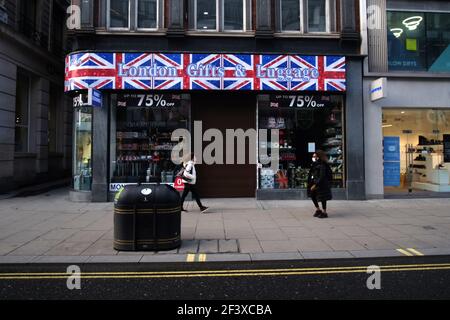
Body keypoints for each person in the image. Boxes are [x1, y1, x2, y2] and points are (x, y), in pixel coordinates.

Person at [307, 150, 333, 218]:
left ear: (319, 157)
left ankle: (324, 212)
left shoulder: (322, 165)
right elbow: (312, 174)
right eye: (313, 156)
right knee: (312, 195)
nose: (313, 157)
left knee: (323, 198)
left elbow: (322, 176)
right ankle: (318, 210)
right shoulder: (315, 164)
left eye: (315, 156)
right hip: (315, 182)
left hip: (322, 184)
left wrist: (315, 184)